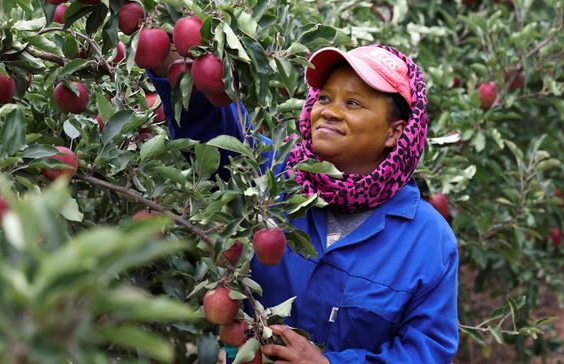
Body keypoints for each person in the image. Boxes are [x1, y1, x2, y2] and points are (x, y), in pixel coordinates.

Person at [148, 44, 459, 363]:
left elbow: (427, 352)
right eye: (325, 97)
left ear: (395, 132)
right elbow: (213, 133)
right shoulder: (274, 177)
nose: (330, 110)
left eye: (352, 102)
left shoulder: (428, 241)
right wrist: (177, 64)